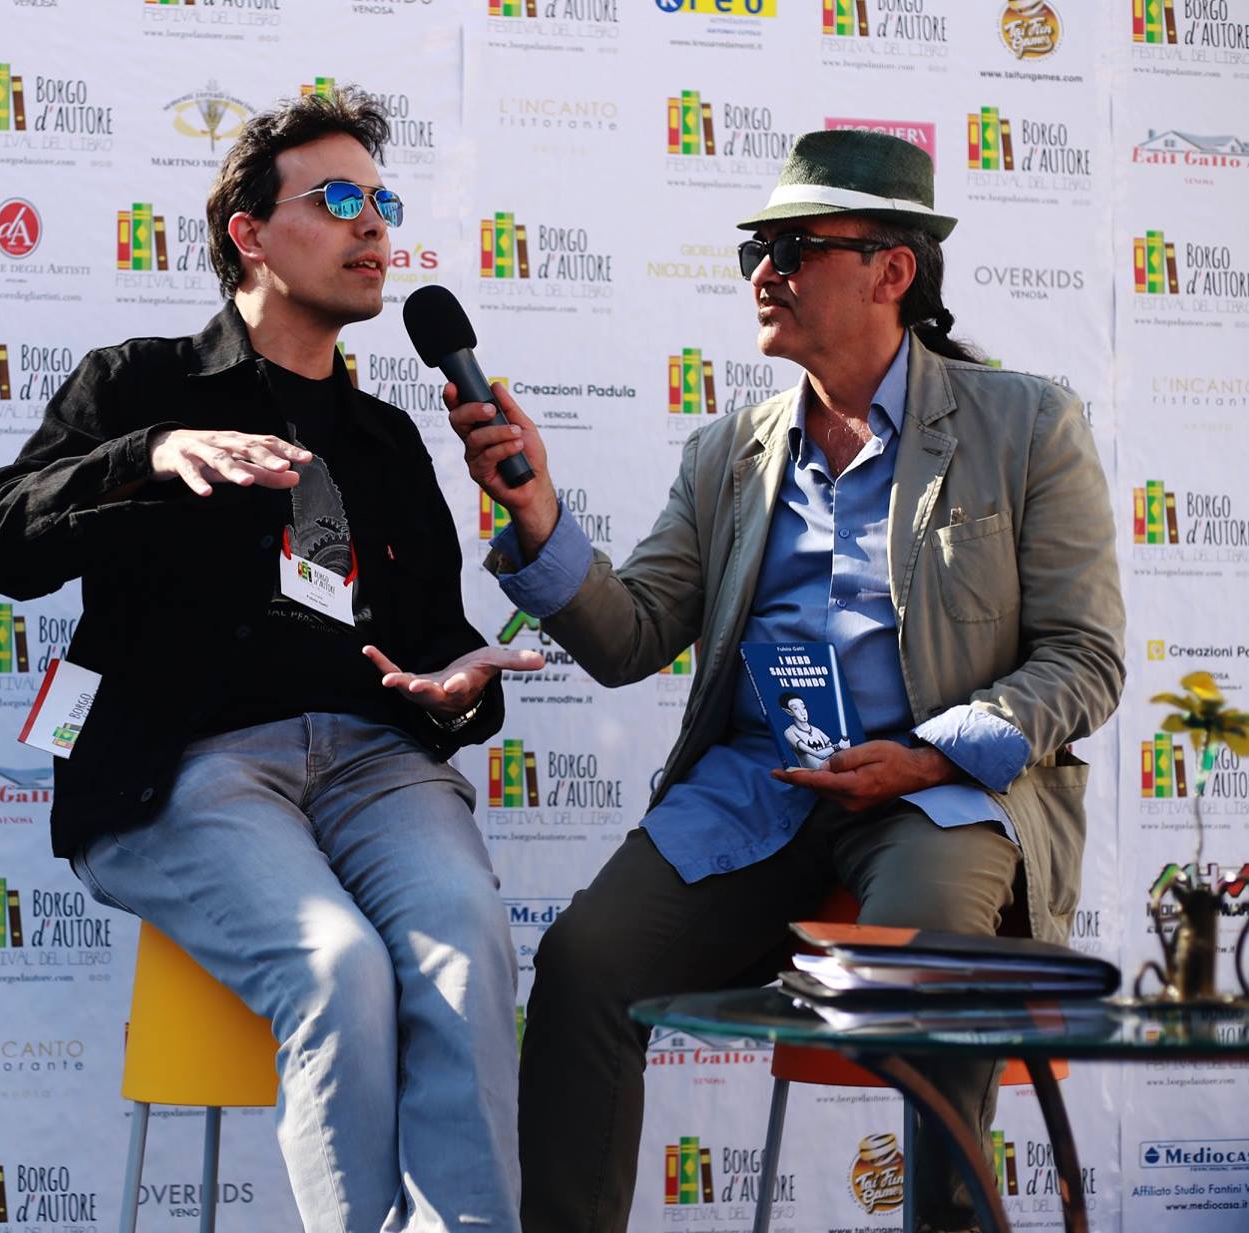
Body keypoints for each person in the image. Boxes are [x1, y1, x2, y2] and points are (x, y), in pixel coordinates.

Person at [448, 129, 1123, 1233]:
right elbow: (629, 637)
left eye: (796, 248)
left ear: (890, 271)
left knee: (920, 967)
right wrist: (537, 516)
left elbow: (1082, 657)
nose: (764, 271)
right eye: (755, 249)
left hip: (938, 792)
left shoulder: (1025, 424)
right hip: (758, 787)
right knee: (583, 962)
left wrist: (931, 753)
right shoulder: (729, 452)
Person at [0, 88, 538, 1233]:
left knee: (466, 958)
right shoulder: (140, 383)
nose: (371, 225)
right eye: (336, 199)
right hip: (187, 768)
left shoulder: (384, 438)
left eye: (382, 204)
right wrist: (146, 454)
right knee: (335, 966)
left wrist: (454, 692)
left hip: (376, 763)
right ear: (250, 233)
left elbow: (435, 637)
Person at [779, 691, 846, 771]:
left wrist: (844, 749)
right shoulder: (790, 732)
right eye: (796, 708)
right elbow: (819, 755)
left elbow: (834, 755)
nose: (803, 712)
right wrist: (839, 746)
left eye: (803, 707)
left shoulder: (817, 731)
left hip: (832, 772)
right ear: (789, 712)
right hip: (811, 775)